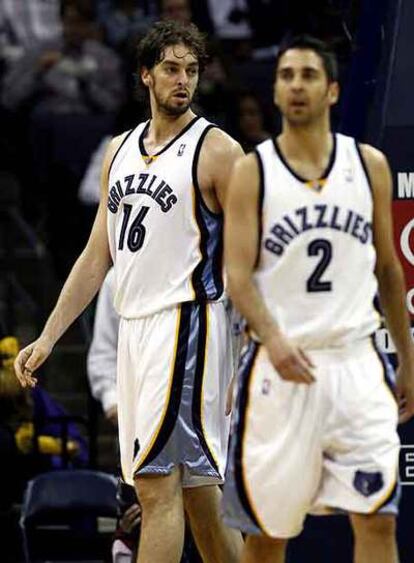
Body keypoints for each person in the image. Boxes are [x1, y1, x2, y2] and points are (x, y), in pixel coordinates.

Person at [14, 19, 243, 563]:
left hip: (188, 324)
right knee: (197, 494)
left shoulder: (216, 150)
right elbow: (98, 257)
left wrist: (250, 347)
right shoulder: (117, 152)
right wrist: (48, 337)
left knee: (155, 488)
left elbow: (250, 254)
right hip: (136, 332)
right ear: (146, 75)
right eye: (170, 68)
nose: (182, 80)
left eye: (190, 70)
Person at [222, 34, 414, 563]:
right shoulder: (251, 171)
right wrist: (275, 339)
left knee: (377, 520)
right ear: (277, 92)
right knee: (267, 536)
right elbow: (236, 276)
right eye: (286, 76)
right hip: (280, 370)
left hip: (355, 361)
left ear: (331, 91)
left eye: (308, 75)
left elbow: (389, 269)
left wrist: (408, 362)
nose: (296, 85)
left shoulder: (369, 164)